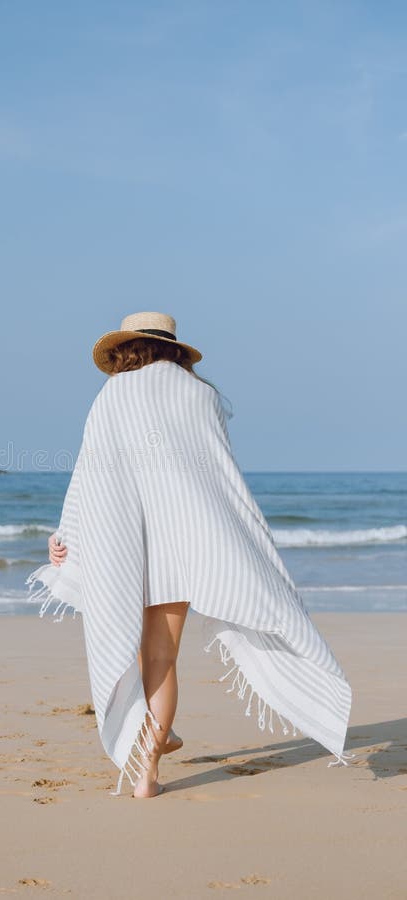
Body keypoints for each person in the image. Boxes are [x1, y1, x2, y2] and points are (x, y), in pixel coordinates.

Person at [27, 311, 354, 799]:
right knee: (161, 656)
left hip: (126, 546)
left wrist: (66, 532)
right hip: (184, 547)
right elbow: (220, 476)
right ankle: (149, 770)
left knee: (134, 651)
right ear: (175, 349)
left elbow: (91, 475)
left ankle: (150, 740)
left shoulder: (114, 394)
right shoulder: (201, 395)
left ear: (125, 349)